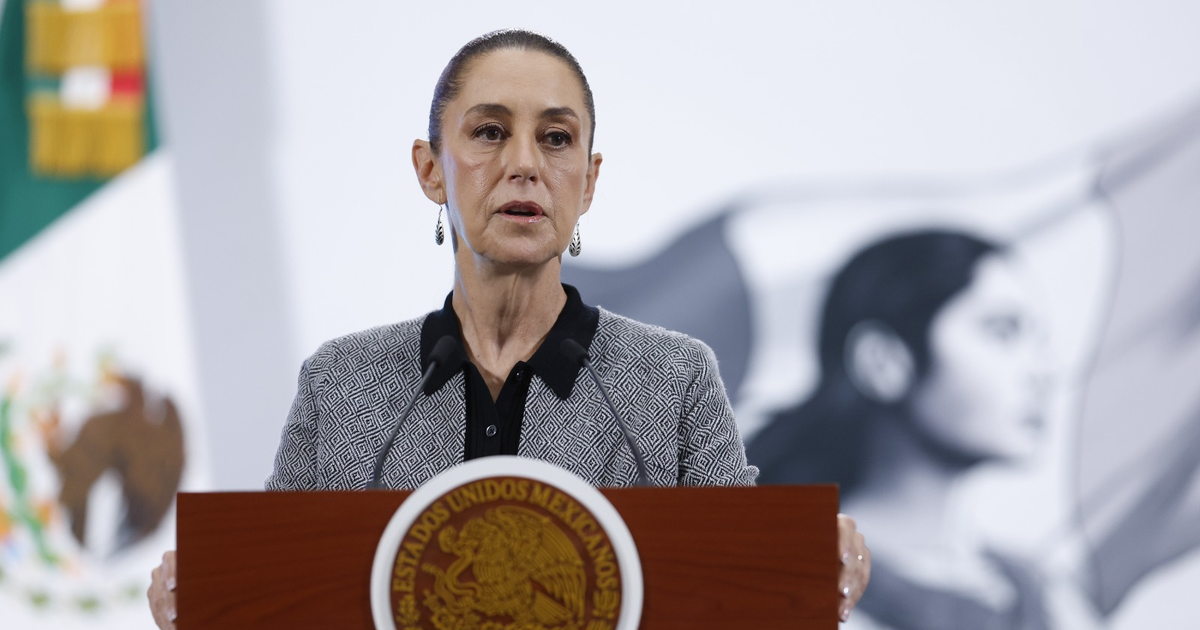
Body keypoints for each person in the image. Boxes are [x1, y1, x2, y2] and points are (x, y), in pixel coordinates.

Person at [147, 29, 871, 628]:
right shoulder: (340, 384)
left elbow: (744, 582)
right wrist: (205, 597)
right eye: (490, 132)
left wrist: (813, 564)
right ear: (431, 171)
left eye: (556, 139)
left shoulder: (674, 379)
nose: (524, 164)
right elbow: (281, 588)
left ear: (587, 181)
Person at [749, 229, 1200, 629]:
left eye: (1039, 341)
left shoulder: (1042, 592)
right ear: (883, 361)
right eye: (1002, 332)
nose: (1043, 370)